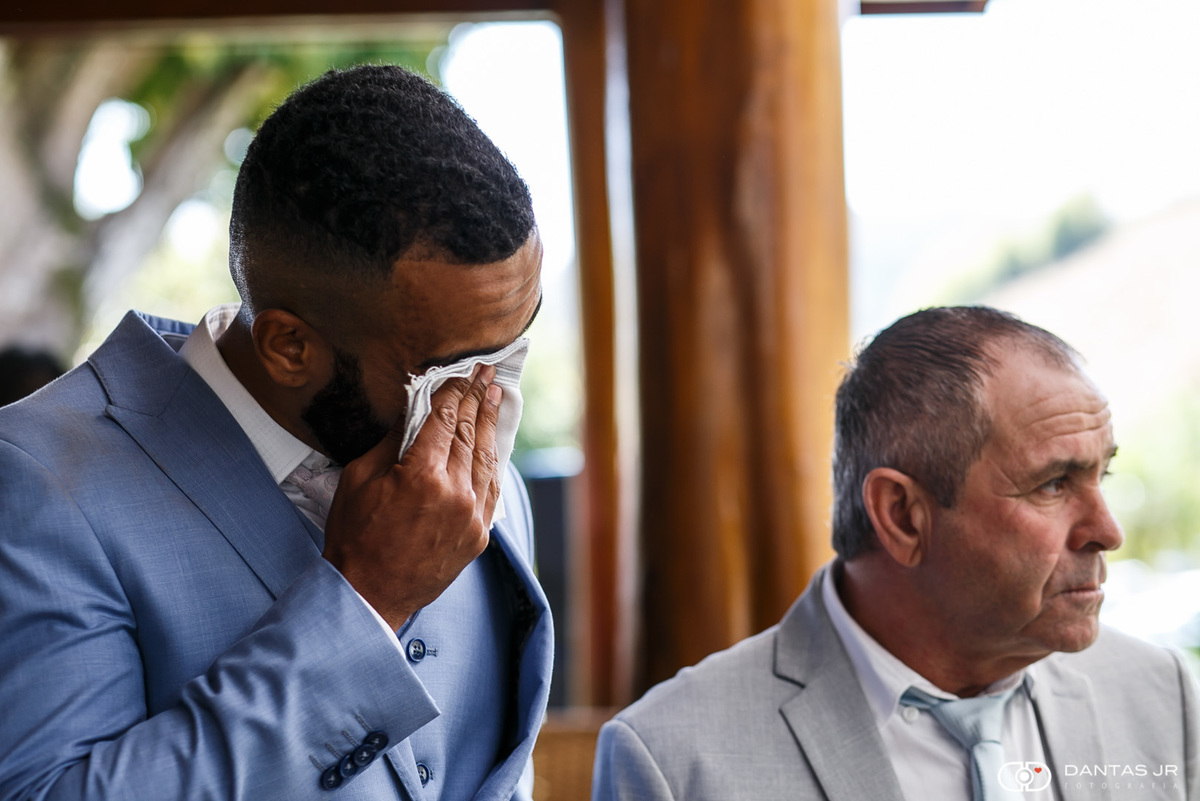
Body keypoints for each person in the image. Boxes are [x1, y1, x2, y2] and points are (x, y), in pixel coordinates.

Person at [0, 65, 552, 801]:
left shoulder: (479, 472)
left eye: (515, 346)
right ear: (291, 346)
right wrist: (366, 601)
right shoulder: (36, 478)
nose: (491, 396)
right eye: (455, 367)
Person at [592, 306, 1198, 801]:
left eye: (1102, 476)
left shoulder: (1160, 694)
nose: (1107, 529)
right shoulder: (673, 760)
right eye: (1054, 484)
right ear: (903, 516)